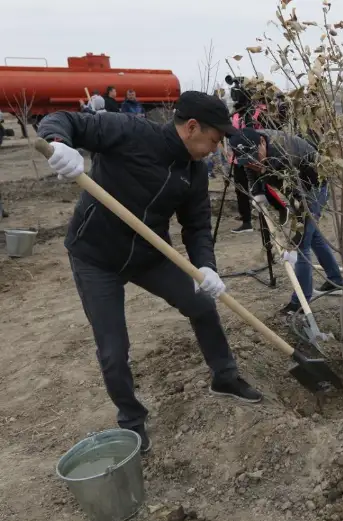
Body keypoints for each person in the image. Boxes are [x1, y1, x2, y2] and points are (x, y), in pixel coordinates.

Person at [37, 91, 264, 453]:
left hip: (149, 254)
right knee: (113, 350)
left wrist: (205, 265)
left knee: (203, 304)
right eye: (215, 140)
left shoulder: (193, 171)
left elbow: (198, 225)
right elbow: (62, 121)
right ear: (192, 128)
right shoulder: (128, 132)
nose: (217, 149)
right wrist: (59, 143)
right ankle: (132, 420)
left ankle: (225, 377)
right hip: (96, 256)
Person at [228, 127, 343, 314]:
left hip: (313, 187)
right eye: (247, 161)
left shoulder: (285, 153)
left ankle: (299, 303)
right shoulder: (249, 149)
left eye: (255, 158)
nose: (253, 163)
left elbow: (301, 202)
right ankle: (336, 281)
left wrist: (293, 244)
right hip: (296, 188)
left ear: (263, 143)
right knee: (312, 237)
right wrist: (258, 193)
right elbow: (250, 170)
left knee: (302, 244)